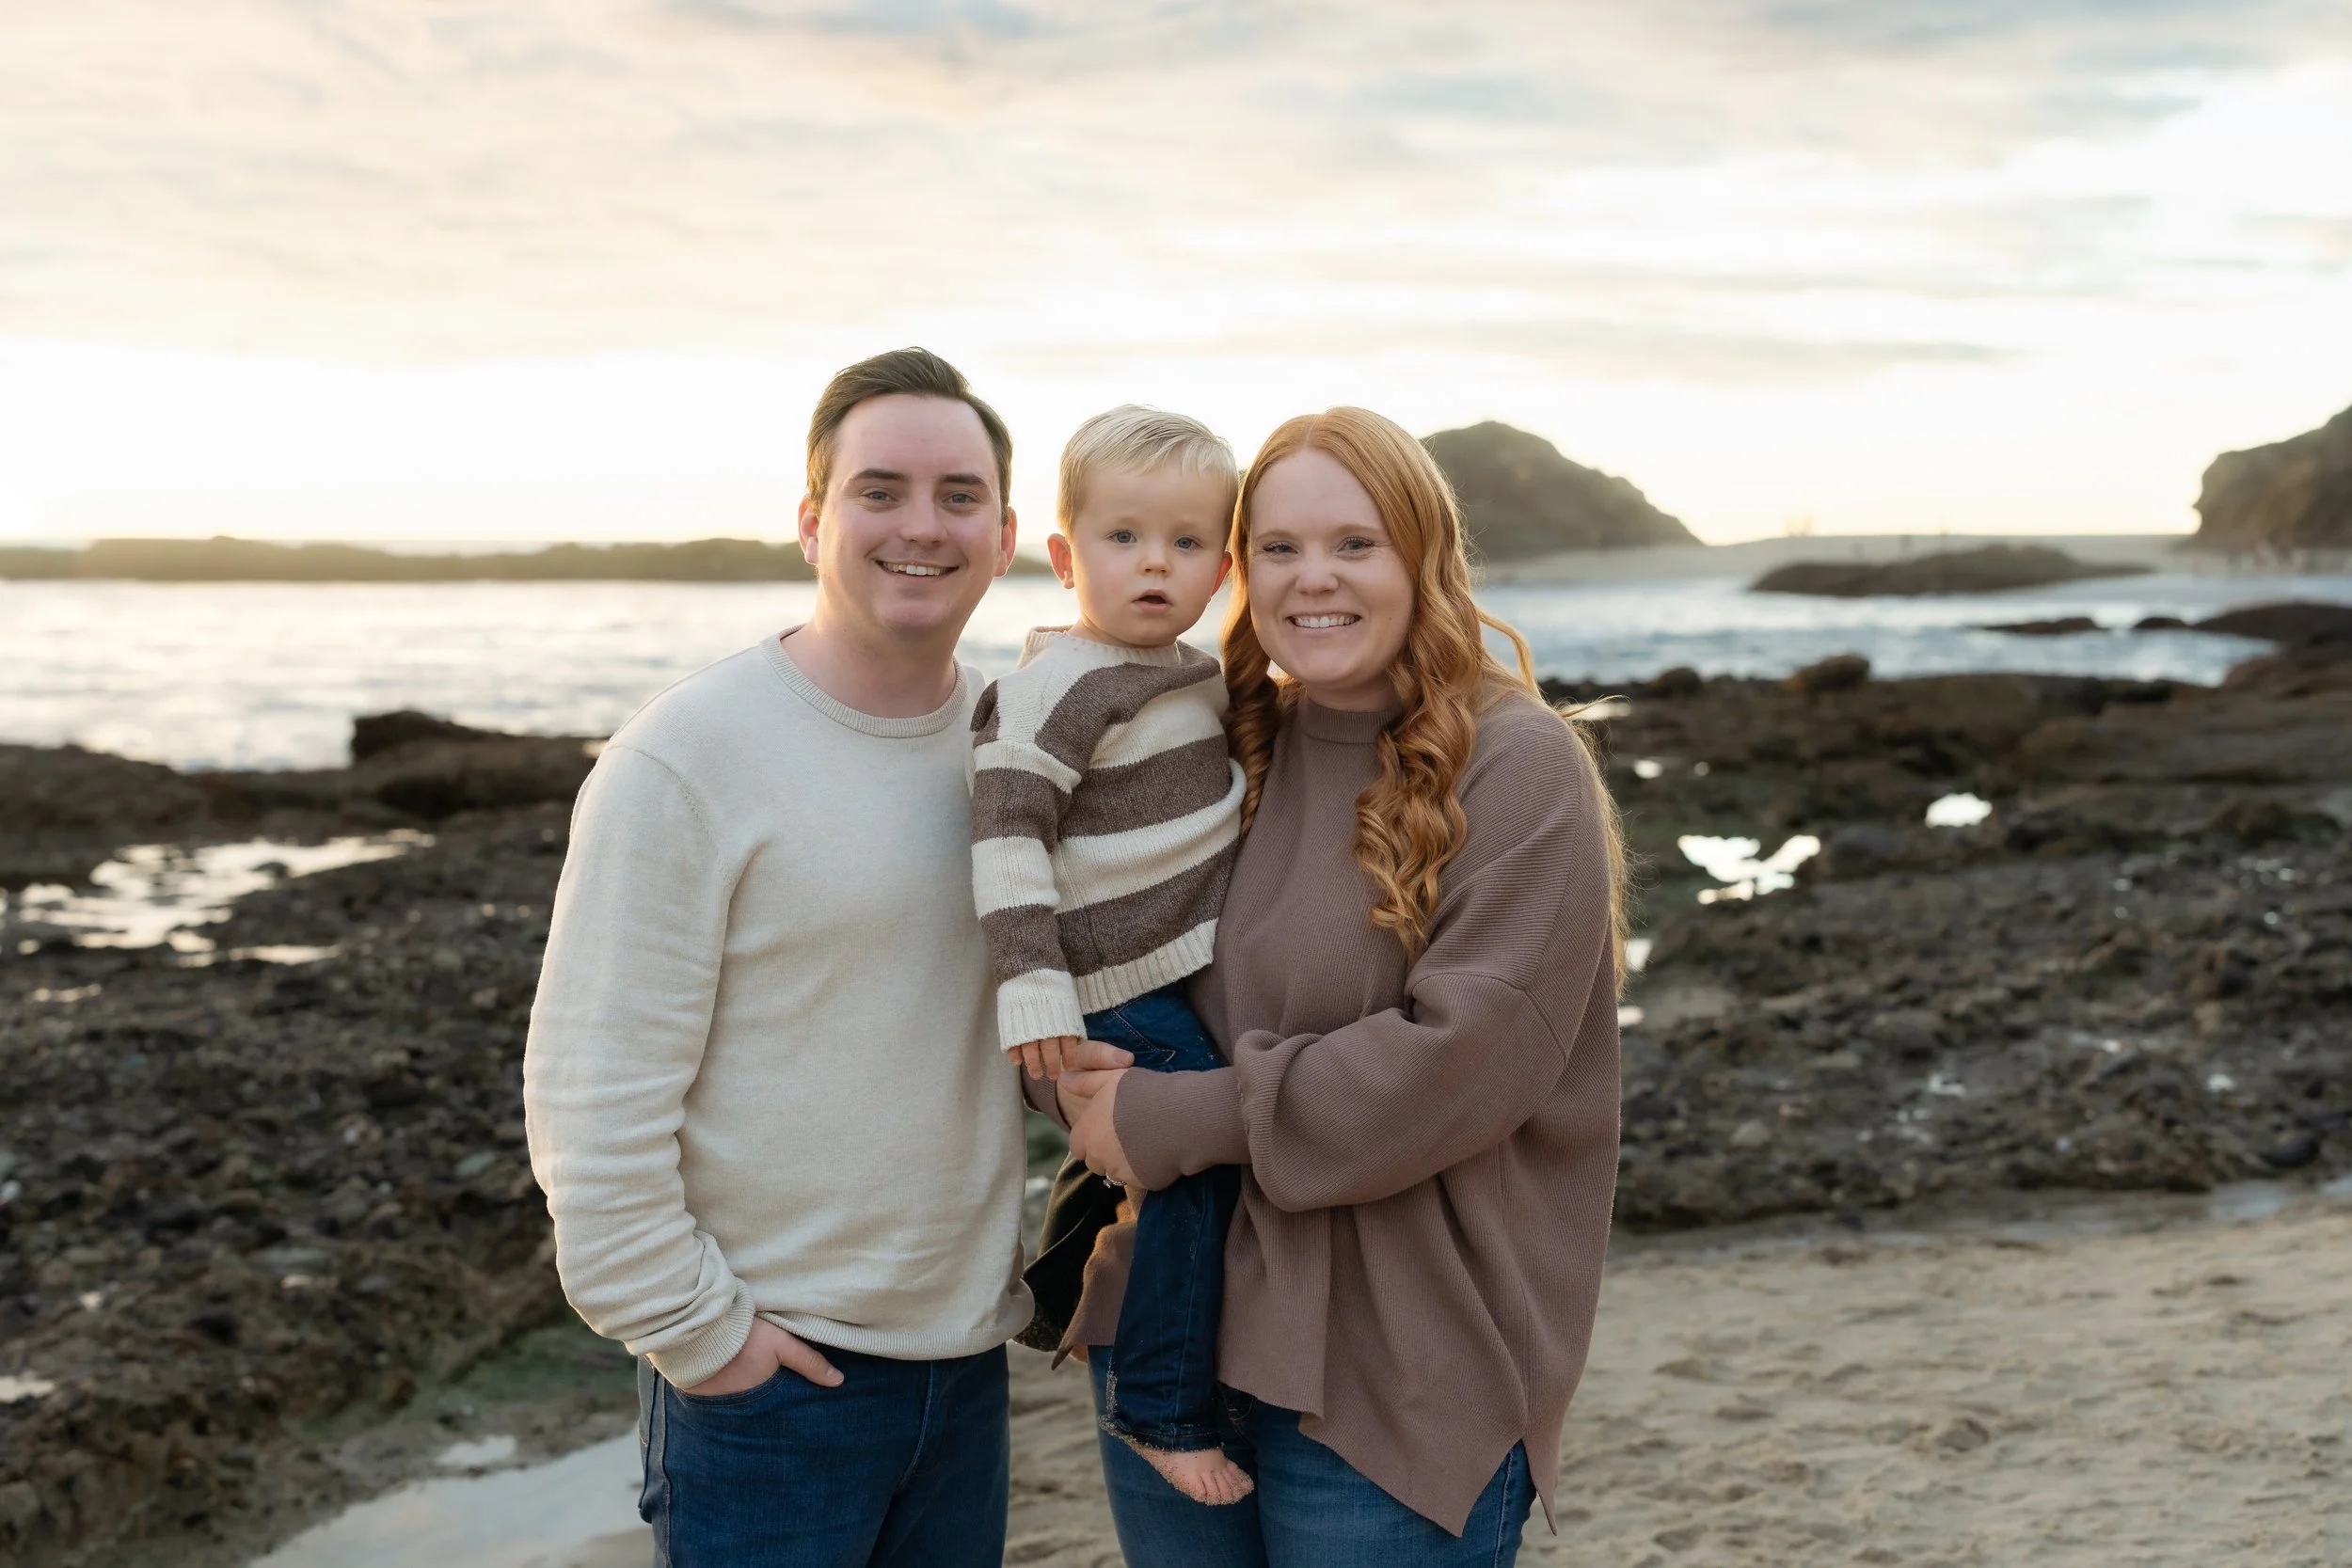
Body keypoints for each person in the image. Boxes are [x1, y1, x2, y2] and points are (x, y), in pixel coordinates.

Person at [523, 346, 1130, 1568]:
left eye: (959, 495)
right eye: (881, 490)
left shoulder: (1022, 745)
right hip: (770, 1380)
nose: (922, 523)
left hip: (962, 1362)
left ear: (1007, 530)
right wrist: (703, 1337)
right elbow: (591, 1098)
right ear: (813, 519)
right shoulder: (683, 759)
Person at [1057, 405, 1627, 1568]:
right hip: (1168, 1334)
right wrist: (1068, 1078)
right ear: (1239, 567)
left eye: (1354, 544)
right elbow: (1097, 944)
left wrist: (1169, 1117)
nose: (1313, 578)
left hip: (1393, 1363)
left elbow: (1454, 1063)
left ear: (1423, 555)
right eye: (1278, 548)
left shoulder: (1518, 765)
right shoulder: (1216, 744)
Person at [969, 406, 1250, 1505]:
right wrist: (1033, 993)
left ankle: (1063, 1293)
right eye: (1123, 538)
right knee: (1195, 1158)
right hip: (1104, 983)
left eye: (1185, 544)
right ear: (1062, 555)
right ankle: (1160, 1407)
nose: (1153, 563)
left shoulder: (1195, 673)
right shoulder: (1053, 686)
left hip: (1170, 965)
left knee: (1134, 1166)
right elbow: (1005, 841)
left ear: (1220, 567)